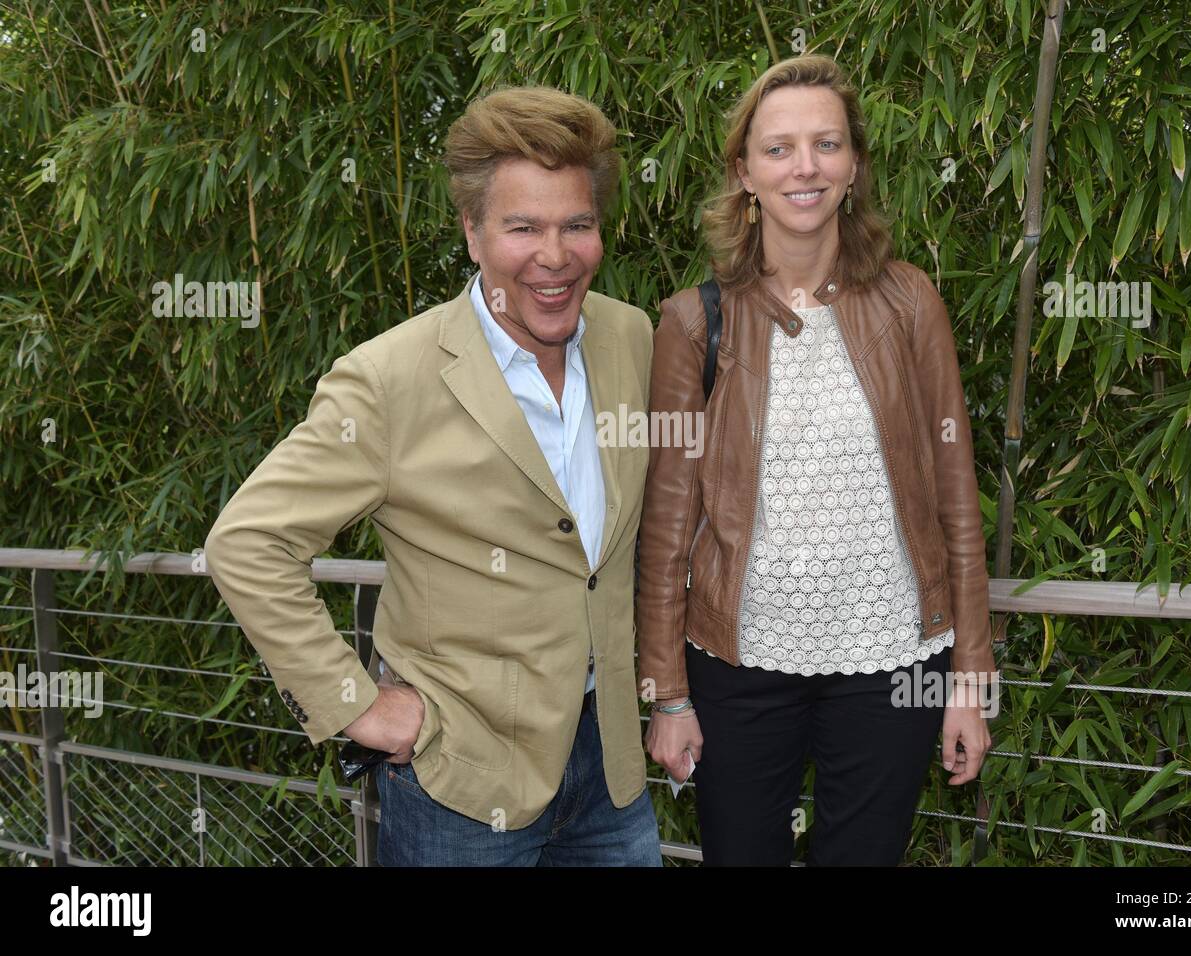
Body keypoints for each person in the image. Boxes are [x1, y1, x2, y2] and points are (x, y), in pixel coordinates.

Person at [205, 85, 661, 866]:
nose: (555, 256)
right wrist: (357, 706)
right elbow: (247, 544)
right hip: (461, 782)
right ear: (473, 233)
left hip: (613, 768)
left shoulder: (630, 335)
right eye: (523, 227)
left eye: (577, 225)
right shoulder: (390, 379)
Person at [636, 54, 998, 866]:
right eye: (779, 148)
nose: (805, 166)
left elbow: (956, 503)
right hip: (736, 661)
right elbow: (667, 527)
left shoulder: (911, 302)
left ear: (854, 166)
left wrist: (970, 684)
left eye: (826, 144)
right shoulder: (693, 324)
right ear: (745, 172)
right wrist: (667, 693)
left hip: (894, 657)